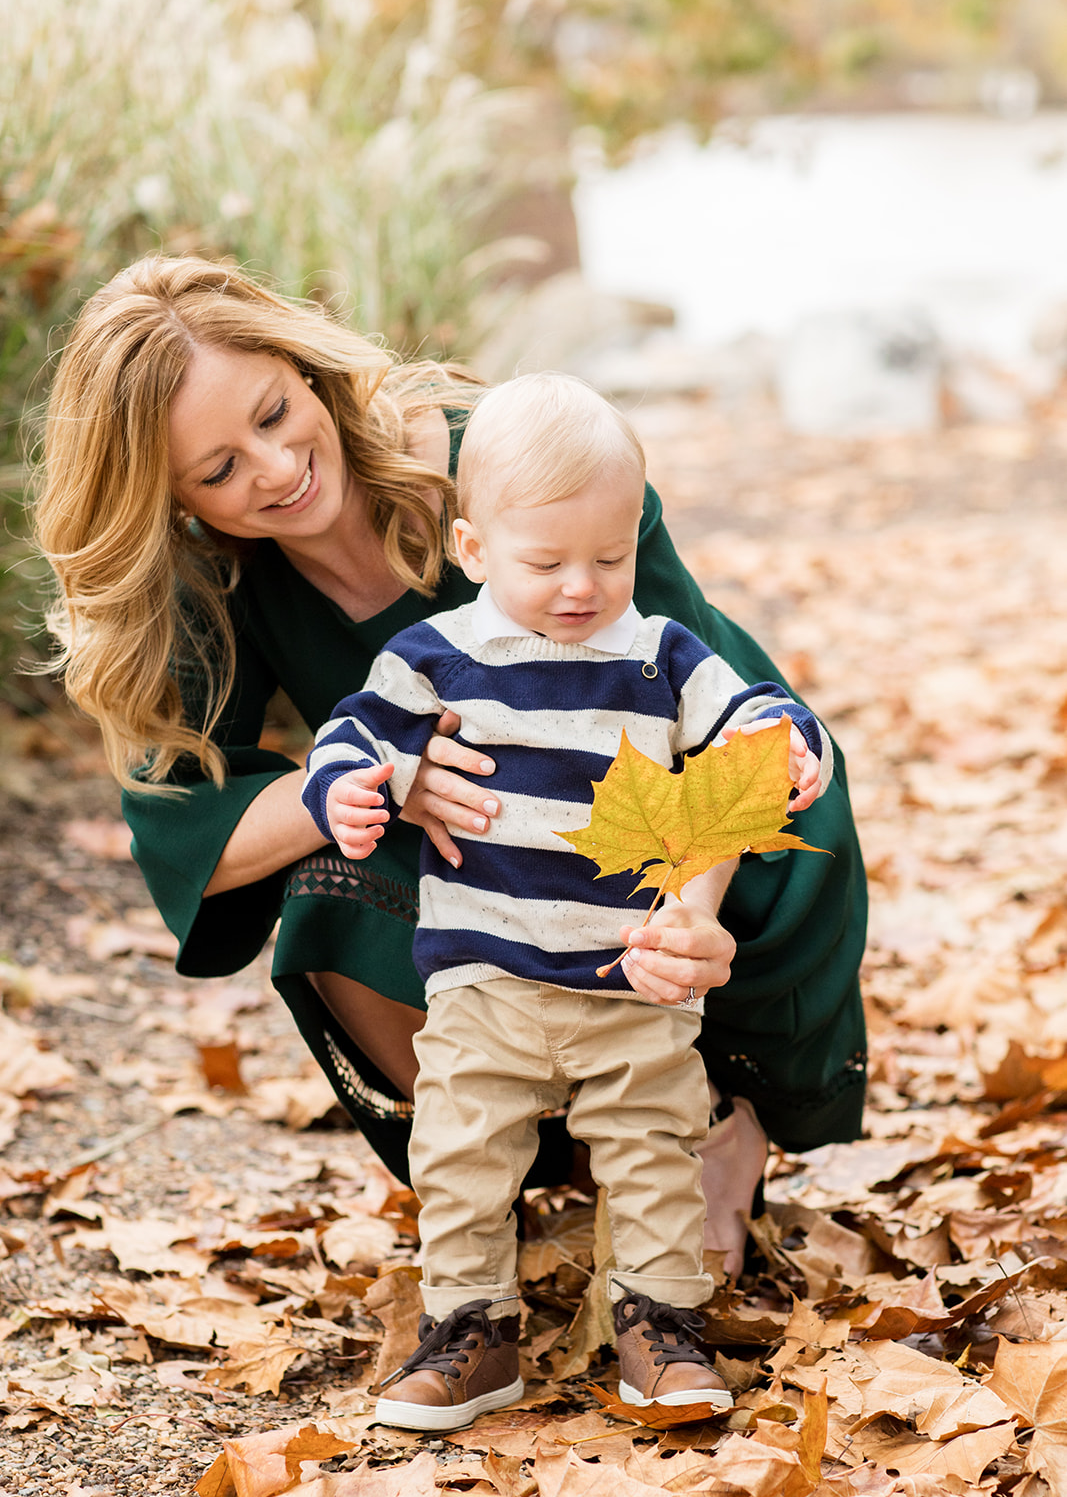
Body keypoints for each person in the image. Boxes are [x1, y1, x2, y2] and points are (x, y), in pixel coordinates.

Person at [33, 254, 867, 1290]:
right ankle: (511, 1161)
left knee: (693, 891)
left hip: (699, 823)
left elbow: (720, 734)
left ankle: (705, 1124)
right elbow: (186, 836)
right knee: (324, 879)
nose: (275, 467)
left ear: (302, 366)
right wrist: (380, 769)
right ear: (171, 498)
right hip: (497, 876)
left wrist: (692, 911)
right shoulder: (213, 580)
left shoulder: (500, 456)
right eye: (217, 471)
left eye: (274, 412)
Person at [302, 372, 833, 1428]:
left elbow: (754, 712)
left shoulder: (656, 656)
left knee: (648, 1147)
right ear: (474, 550)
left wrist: (787, 744)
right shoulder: (433, 658)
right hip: (485, 975)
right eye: (546, 563)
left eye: (611, 556)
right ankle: (469, 1330)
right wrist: (355, 787)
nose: (582, 587)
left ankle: (655, 1323)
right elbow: (351, 732)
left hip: (627, 976)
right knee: (458, 1149)